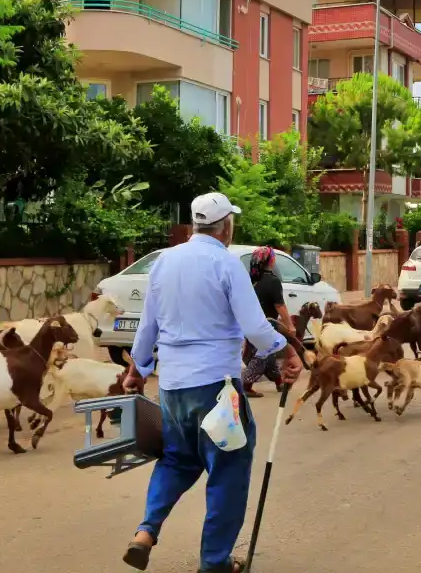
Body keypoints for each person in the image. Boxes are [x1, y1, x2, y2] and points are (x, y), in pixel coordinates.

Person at [121, 192, 304, 573]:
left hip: (172, 386)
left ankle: (146, 531)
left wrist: (136, 369)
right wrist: (287, 352)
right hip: (216, 388)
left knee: (176, 459)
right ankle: (215, 563)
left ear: (194, 224)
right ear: (226, 226)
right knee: (229, 468)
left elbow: (147, 325)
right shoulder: (226, 263)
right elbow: (256, 327)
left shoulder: (163, 262)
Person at [242, 246, 295, 398]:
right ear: (271, 261)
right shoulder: (272, 281)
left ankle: (279, 382)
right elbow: (280, 306)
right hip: (266, 325)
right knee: (263, 355)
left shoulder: (250, 280)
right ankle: (245, 384)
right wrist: (289, 325)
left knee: (269, 354)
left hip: (249, 323)